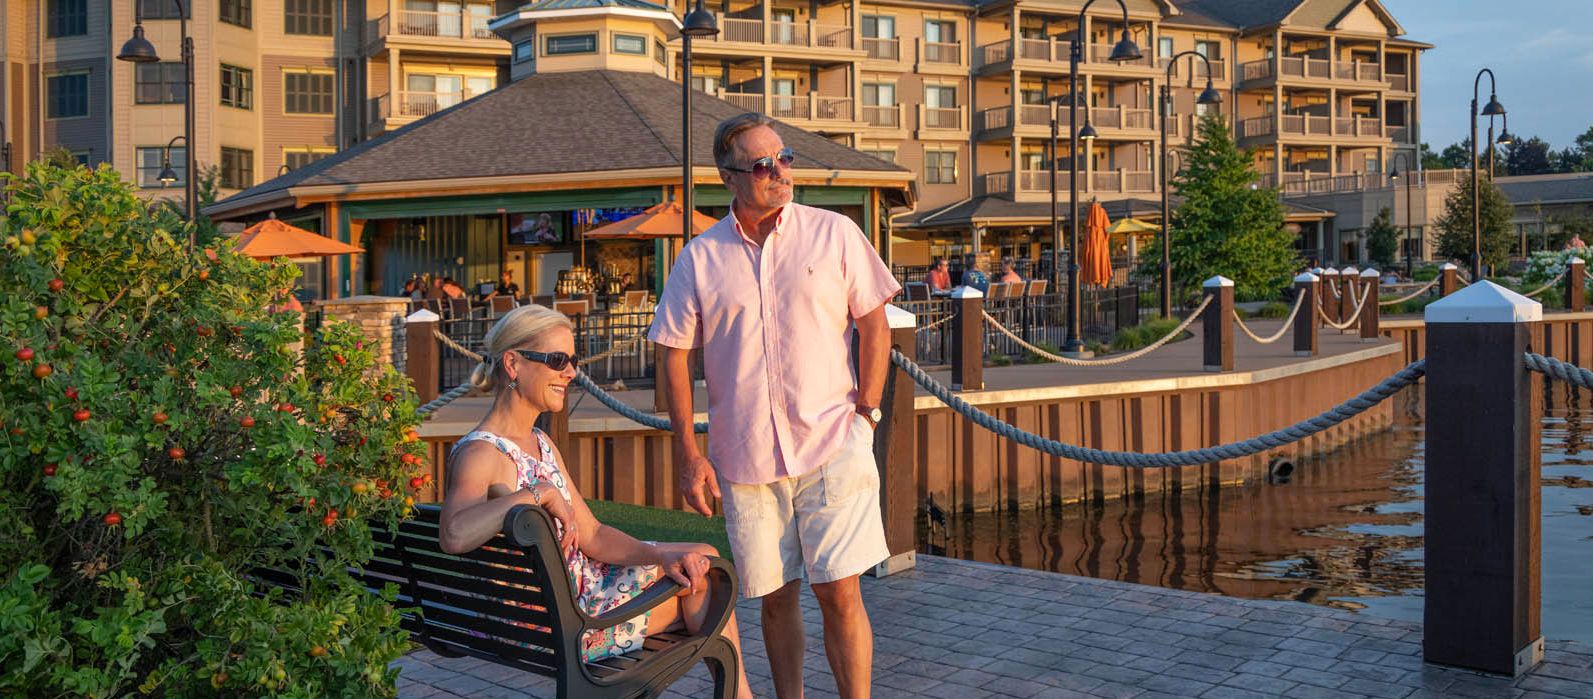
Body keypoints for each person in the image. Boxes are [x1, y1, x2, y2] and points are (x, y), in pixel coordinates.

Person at [649, 113, 899, 699]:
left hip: (833, 441)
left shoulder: (835, 233)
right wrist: (688, 453)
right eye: (762, 165)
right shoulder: (700, 258)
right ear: (729, 177)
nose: (780, 171)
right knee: (776, 597)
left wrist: (866, 414)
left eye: (784, 157)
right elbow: (672, 355)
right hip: (746, 458)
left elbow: (875, 324)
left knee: (840, 590)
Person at [438, 305, 753, 697]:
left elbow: (594, 534)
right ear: (513, 364)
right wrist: (537, 493)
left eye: (573, 361)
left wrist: (661, 555)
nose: (570, 372)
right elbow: (453, 534)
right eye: (557, 360)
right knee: (706, 581)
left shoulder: (540, 443)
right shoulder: (482, 453)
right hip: (564, 625)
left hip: (569, 606)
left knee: (699, 556)